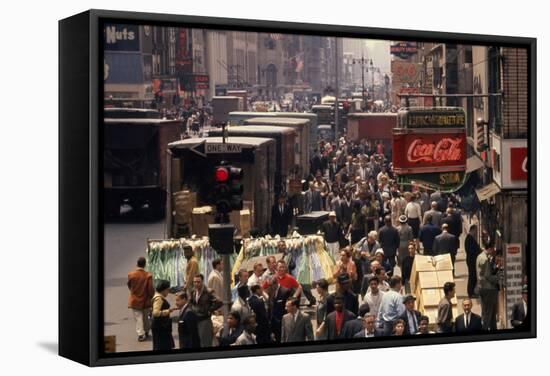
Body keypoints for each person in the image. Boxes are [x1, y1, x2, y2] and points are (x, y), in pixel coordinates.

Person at [189, 274, 223, 347]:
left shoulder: (208, 291)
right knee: (197, 342)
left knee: (206, 343)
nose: (196, 284)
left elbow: (219, 302)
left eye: (198, 282)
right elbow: (190, 302)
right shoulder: (193, 291)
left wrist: (209, 310)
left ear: (202, 282)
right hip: (195, 319)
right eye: (194, 282)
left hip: (205, 320)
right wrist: (193, 309)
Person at [127, 257, 154, 342]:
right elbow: (150, 289)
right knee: (146, 317)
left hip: (135, 300)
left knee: (138, 318)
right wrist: (152, 297)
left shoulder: (131, 275)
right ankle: (146, 331)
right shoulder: (148, 275)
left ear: (137, 264)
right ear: (145, 265)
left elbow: (129, 286)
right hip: (145, 300)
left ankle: (141, 335)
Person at [476, 244, 500, 331]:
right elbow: (488, 275)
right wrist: (497, 278)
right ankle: (485, 329)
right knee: (488, 313)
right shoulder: (485, 259)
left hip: (483, 287)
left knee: (491, 312)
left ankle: (493, 328)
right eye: (492, 249)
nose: (493, 251)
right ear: (489, 249)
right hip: (488, 289)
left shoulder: (479, 256)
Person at [151, 280, 177, 351]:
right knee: (162, 345)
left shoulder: (158, 296)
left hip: (160, 325)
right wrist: (168, 311)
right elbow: (155, 313)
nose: (168, 292)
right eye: (167, 290)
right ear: (163, 290)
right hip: (160, 325)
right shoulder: (159, 299)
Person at [266, 277, 291, 343]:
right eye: (268, 285)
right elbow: (270, 307)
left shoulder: (285, 291)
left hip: (282, 323)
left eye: (270, 285)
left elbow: (288, 308)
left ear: (276, 283)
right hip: (273, 323)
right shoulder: (270, 292)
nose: (269, 287)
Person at [465, 225, 482, 298]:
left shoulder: (471, 238)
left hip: (472, 260)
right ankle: (470, 292)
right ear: (472, 230)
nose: (476, 232)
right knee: (472, 276)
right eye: (476, 230)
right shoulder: (469, 238)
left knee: (473, 276)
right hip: (471, 260)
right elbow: (472, 250)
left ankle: (471, 292)